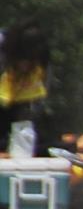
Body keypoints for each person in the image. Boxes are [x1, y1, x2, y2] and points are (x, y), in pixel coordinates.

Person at [0, 23, 50, 160]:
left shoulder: (42, 55)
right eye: (23, 60)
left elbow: (37, 100)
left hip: (22, 110)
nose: (25, 65)